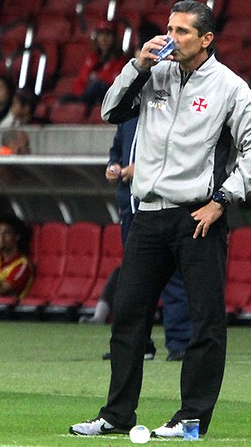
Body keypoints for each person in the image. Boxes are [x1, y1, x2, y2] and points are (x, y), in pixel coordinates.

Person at [69, 0, 251, 438]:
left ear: (207, 39)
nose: (172, 38)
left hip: (197, 216)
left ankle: (192, 417)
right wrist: (137, 64)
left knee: (205, 322)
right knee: (128, 318)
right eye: (169, 28)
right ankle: (116, 414)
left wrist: (223, 198)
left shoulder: (229, 87)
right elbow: (110, 111)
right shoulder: (154, 73)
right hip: (148, 212)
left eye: (183, 31)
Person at [88, 115, 193, 362]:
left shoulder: (169, 110)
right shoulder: (129, 114)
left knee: (172, 278)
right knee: (133, 281)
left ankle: (181, 343)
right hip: (132, 210)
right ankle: (137, 344)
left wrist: (143, 168)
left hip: (163, 206)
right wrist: (113, 165)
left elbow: (178, 151)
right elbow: (117, 147)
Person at [61, 20, 128, 108]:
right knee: (64, 99)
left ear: (114, 38)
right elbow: (80, 81)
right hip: (86, 96)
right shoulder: (92, 58)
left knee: (96, 85)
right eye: (100, 34)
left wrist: (96, 78)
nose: (104, 39)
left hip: (106, 97)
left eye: (107, 35)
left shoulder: (121, 60)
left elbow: (113, 84)